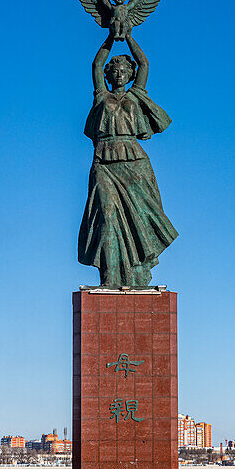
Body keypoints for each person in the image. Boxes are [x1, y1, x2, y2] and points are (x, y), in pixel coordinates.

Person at [79, 32, 178, 288]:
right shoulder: (101, 96)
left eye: (124, 70)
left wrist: (129, 34)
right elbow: (96, 64)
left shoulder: (135, 95)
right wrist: (112, 36)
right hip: (104, 161)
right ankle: (110, 278)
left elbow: (144, 63)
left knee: (140, 219)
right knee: (106, 216)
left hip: (134, 162)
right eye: (116, 70)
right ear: (110, 75)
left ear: (130, 74)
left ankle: (136, 274)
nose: (120, 73)